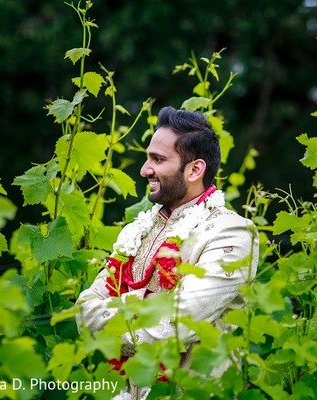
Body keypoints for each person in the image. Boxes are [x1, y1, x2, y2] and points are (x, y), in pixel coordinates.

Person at [76, 106, 259, 399]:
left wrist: (117, 309)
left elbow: (172, 326)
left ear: (195, 169)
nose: (145, 169)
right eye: (148, 158)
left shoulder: (231, 232)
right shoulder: (138, 230)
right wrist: (149, 302)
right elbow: (84, 309)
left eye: (158, 159)